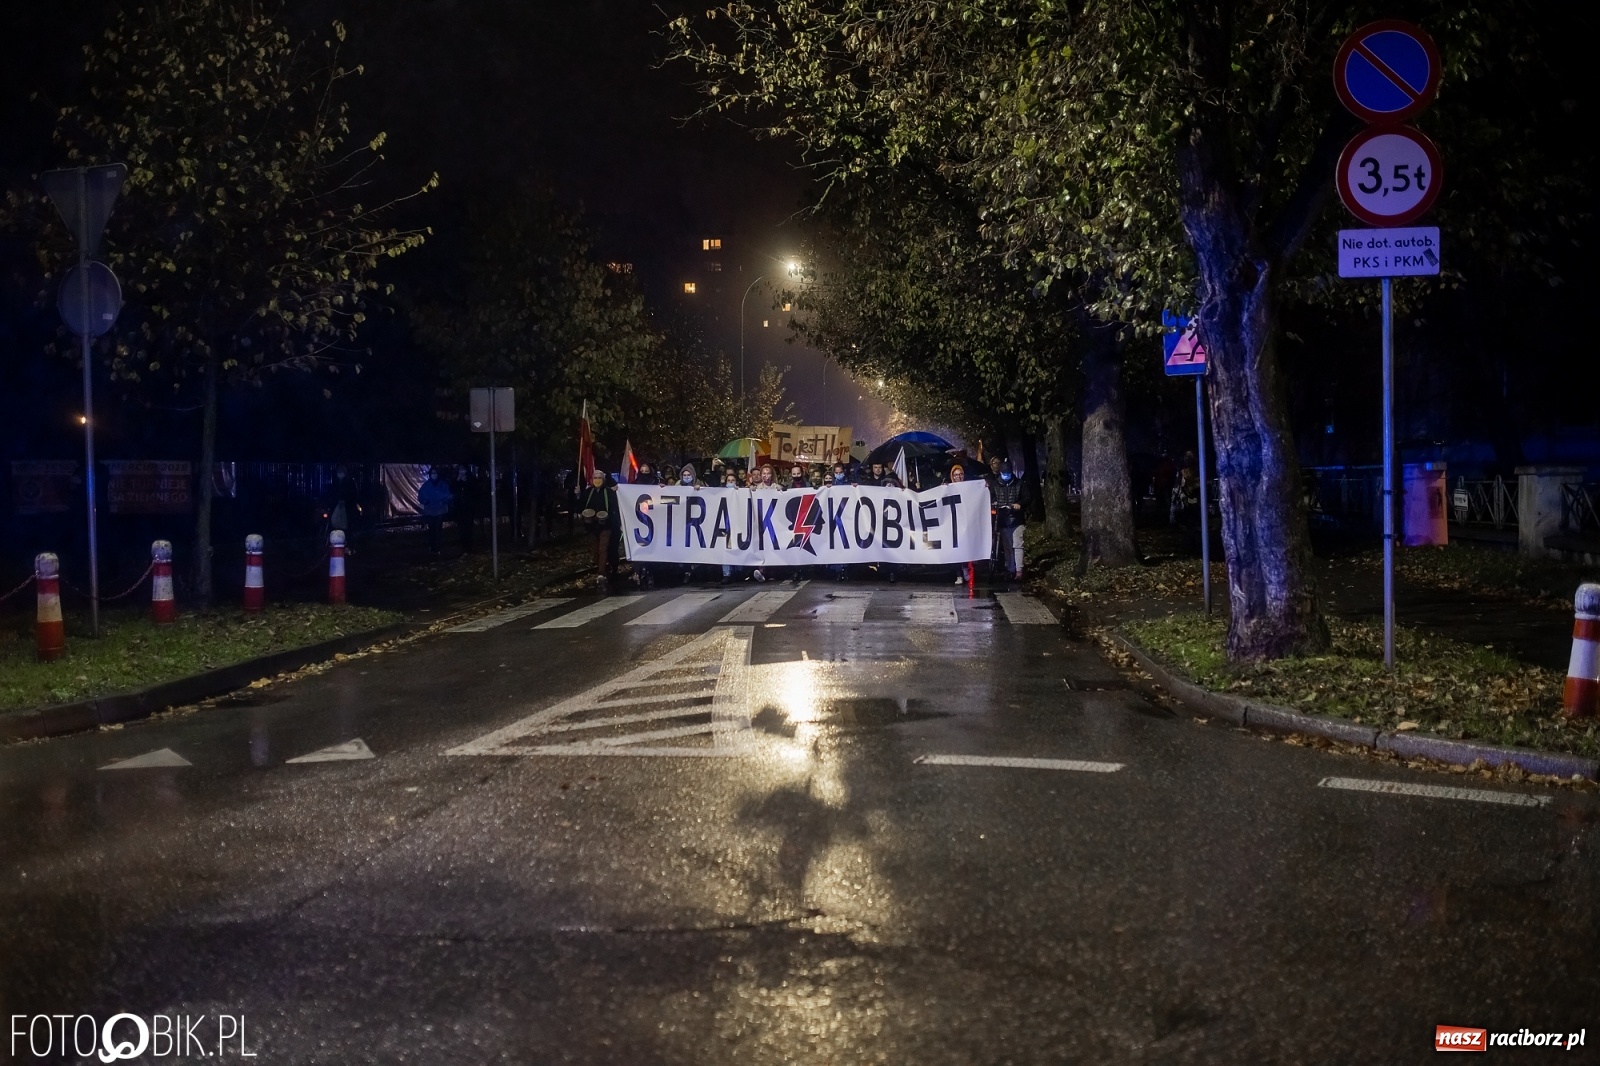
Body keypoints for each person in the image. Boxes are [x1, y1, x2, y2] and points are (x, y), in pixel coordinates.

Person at [577, 470, 616, 589]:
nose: (597, 480)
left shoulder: (609, 492)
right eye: (595, 477)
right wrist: (578, 495)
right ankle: (603, 565)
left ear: (603, 479)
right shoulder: (588, 492)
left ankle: (601, 572)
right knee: (595, 550)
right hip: (592, 527)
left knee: (602, 548)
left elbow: (614, 507)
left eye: (600, 477)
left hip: (606, 526)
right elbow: (580, 506)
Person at [993, 460, 1028, 583]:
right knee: (1007, 546)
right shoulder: (996, 485)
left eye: (1008, 473)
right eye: (1004, 473)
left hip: (1016, 519)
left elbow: (1027, 497)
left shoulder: (1019, 484)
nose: (1006, 475)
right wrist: (994, 504)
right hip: (1003, 519)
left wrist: (1019, 504)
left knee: (1017, 544)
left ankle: (1019, 571)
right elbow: (991, 497)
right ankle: (1011, 568)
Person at [947, 463, 976, 585]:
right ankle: (958, 574)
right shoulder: (948, 488)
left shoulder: (969, 487)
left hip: (966, 522)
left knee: (965, 547)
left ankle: (965, 567)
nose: (958, 477)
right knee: (955, 550)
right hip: (953, 523)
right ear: (952, 476)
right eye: (955, 475)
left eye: (960, 474)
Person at [418, 467, 453, 556]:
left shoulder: (443, 485)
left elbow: (448, 496)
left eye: (435, 473)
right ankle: (432, 546)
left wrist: (444, 501)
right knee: (431, 529)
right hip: (430, 510)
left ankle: (437, 547)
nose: (434, 475)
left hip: (440, 510)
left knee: (437, 529)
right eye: (432, 473)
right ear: (430, 474)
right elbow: (420, 496)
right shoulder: (426, 485)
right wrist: (425, 501)